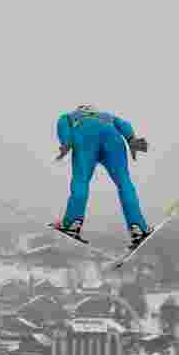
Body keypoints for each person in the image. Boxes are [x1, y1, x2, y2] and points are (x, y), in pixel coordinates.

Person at [50, 104, 151, 250]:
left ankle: (72, 223)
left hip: (84, 138)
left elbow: (62, 123)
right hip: (113, 138)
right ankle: (138, 228)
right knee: (124, 182)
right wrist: (131, 139)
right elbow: (123, 124)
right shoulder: (106, 116)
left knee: (81, 180)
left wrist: (66, 143)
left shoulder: (70, 116)